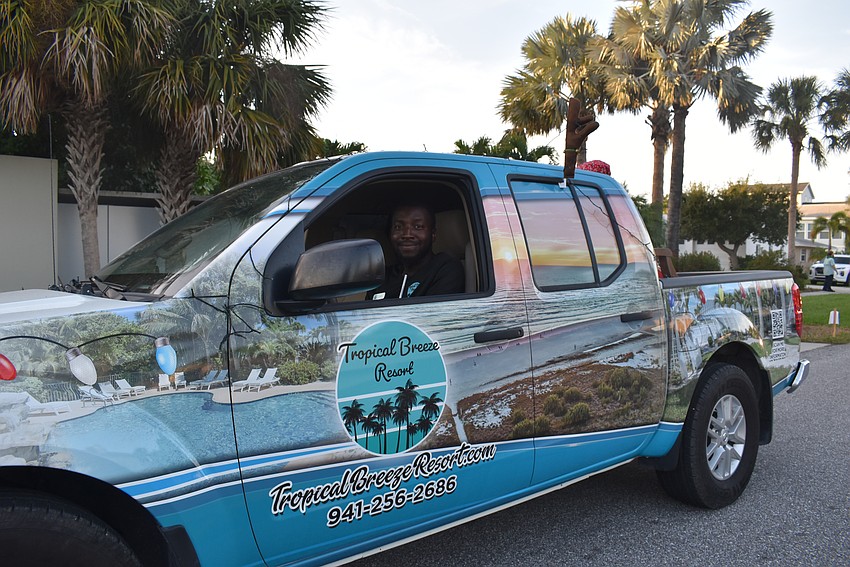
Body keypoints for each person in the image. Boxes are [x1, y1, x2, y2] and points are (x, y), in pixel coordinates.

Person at [368, 203, 465, 300]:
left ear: (433, 234)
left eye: (418, 227)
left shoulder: (445, 269)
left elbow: (434, 313)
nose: (407, 234)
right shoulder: (382, 278)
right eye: (398, 227)